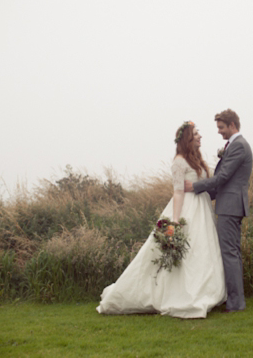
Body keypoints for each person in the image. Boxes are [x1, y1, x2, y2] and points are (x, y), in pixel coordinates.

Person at [96, 121, 226, 318]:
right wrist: (175, 221)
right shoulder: (179, 162)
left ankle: (207, 291)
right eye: (196, 134)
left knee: (202, 251)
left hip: (203, 209)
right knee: (189, 252)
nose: (200, 136)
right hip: (188, 209)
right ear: (187, 138)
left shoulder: (197, 161)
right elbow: (178, 192)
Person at [185, 109, 253, 312]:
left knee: (229, 254)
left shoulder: (239, 146)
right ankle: (235, 300)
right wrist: (208, 195)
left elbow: (223, 177)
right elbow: (225, 179)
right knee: (233, 253)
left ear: (232, 125)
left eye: (221, 127)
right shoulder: (235, 145)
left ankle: (235, 303)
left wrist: (196, 187)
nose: (219, 132)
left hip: (230, 207)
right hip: (230, 205)